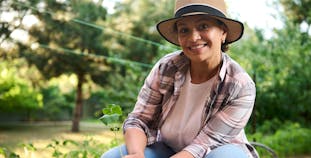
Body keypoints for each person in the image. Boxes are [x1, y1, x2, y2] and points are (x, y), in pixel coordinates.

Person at [101, 0, 259, 157]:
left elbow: (203, 145)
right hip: (169, 148)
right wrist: (137, 154)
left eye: (203, 26)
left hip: (216, 152)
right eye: (184, 30)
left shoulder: (240, 86)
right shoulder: (167, 68)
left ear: (223, 32)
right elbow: (140, 120)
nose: (194, 37)